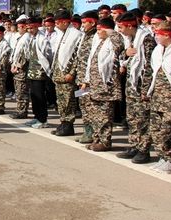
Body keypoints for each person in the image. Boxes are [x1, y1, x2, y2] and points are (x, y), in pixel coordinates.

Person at [115, 12, 155, 163]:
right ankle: (134, 145)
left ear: (130, 26)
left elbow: (150, 66)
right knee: (132, 117)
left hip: (141, 86)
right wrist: (125, 53)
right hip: (132, 84)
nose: (119, 30)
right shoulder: (130, 38)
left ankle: (144, 150)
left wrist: (146, 90)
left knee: (142, 118)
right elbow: (122, 56)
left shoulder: (146, 39)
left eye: (121, 27)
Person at [80, 18, 124, 151]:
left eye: (100, 30)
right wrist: (86, 81)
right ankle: (96, 139)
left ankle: (105, 141)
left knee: (104, 116)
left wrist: (110, 31)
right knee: (95, 115)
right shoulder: (99, 42)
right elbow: (91, 63)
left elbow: (119, 42)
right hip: (94, 85)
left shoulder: (113, 41)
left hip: (106, 86)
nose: (97, 32)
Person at [145, 21, 171, 173]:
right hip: (157, 96)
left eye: (158, 34)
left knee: (169, 130)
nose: (156, 36)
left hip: (170, 98)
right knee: (156, 129)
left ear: (167, 35)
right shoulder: (158, 49)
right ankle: (163, 157)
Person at [50, 10, 83, 136]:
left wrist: (72, 72)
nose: (56, 25)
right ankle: (63, 122)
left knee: (69, 100)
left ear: (65, 22)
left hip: (68, 74)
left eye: (58, 22)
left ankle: (68, 125)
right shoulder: (60, 34)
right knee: (61, 101)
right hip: (59, 73)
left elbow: (77, 56)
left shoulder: (76, 34)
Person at [74, 10, 99, 144]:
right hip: (81, 78)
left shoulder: (96, 36)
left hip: (89, 79)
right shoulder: (85, 35)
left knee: (91, 107)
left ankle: (94, 134)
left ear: (93, 22)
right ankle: (87, 131)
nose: (82, 25)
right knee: (84, 105)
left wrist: (86, 80)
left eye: (85, 22)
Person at [25, 17, 53, 128]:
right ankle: (36, 117)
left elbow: (48, 55)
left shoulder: (43, 39)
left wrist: (47, 70)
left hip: (40, 72)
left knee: (40, 96)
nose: (29, 30)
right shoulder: (32, 38)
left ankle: (43, 120)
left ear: (37, 26)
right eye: (28, 28)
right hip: (32, 71)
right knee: (34, 96)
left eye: (31, 28)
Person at [9, 18, 31, 119]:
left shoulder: (26, 38)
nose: (18, 29)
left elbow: (25, 55)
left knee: (22, 90)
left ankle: (22, 111)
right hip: (17, 68)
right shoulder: (21, 37)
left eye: (19, 27)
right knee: (19, 90)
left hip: (22, 69)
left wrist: (18, 66)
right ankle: (19, 109)